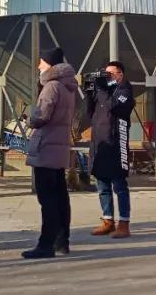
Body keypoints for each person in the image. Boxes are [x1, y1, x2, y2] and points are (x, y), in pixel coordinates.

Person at [21, 47, 77, 259]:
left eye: (41, 62)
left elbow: (41, 116)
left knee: (47, 199)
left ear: (50, 64)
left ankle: (46, 244)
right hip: (59, 148)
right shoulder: (68, 86)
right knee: (60, 197)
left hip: (46, 146)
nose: (38, 66)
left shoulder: (51, 86)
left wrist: (29, 119)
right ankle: (62, 241)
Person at [87, 60, 136, 239]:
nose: (107, 76)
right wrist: (90, 91)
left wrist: (103, 89)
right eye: (105, 73)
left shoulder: (125, 90)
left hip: (116, 142)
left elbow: (114, 106)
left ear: (120, 75)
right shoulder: (103, 90)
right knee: (102, 184)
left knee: (119, 185)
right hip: (100, 142)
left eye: (111, 73)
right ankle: (107, 220)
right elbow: (90, 112)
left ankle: (124, 223)